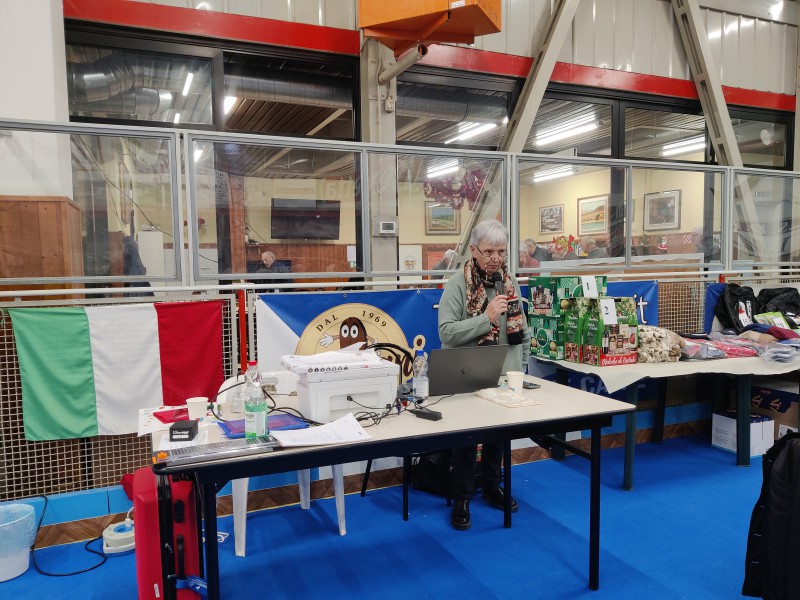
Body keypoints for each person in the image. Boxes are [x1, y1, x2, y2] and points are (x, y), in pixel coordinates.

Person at [438, 219, 531, 531]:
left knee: (498, 438)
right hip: (468, 376)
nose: (495, 258)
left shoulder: (509, 283)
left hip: (505, 376)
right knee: (466, 441)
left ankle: (492, 487)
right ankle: (462, 498)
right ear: (474, 250)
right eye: (489, 251)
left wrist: (522, 368)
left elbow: (523, 331)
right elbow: (446, 332)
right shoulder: (457, 284)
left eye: (501, 251)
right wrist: (486, 317)